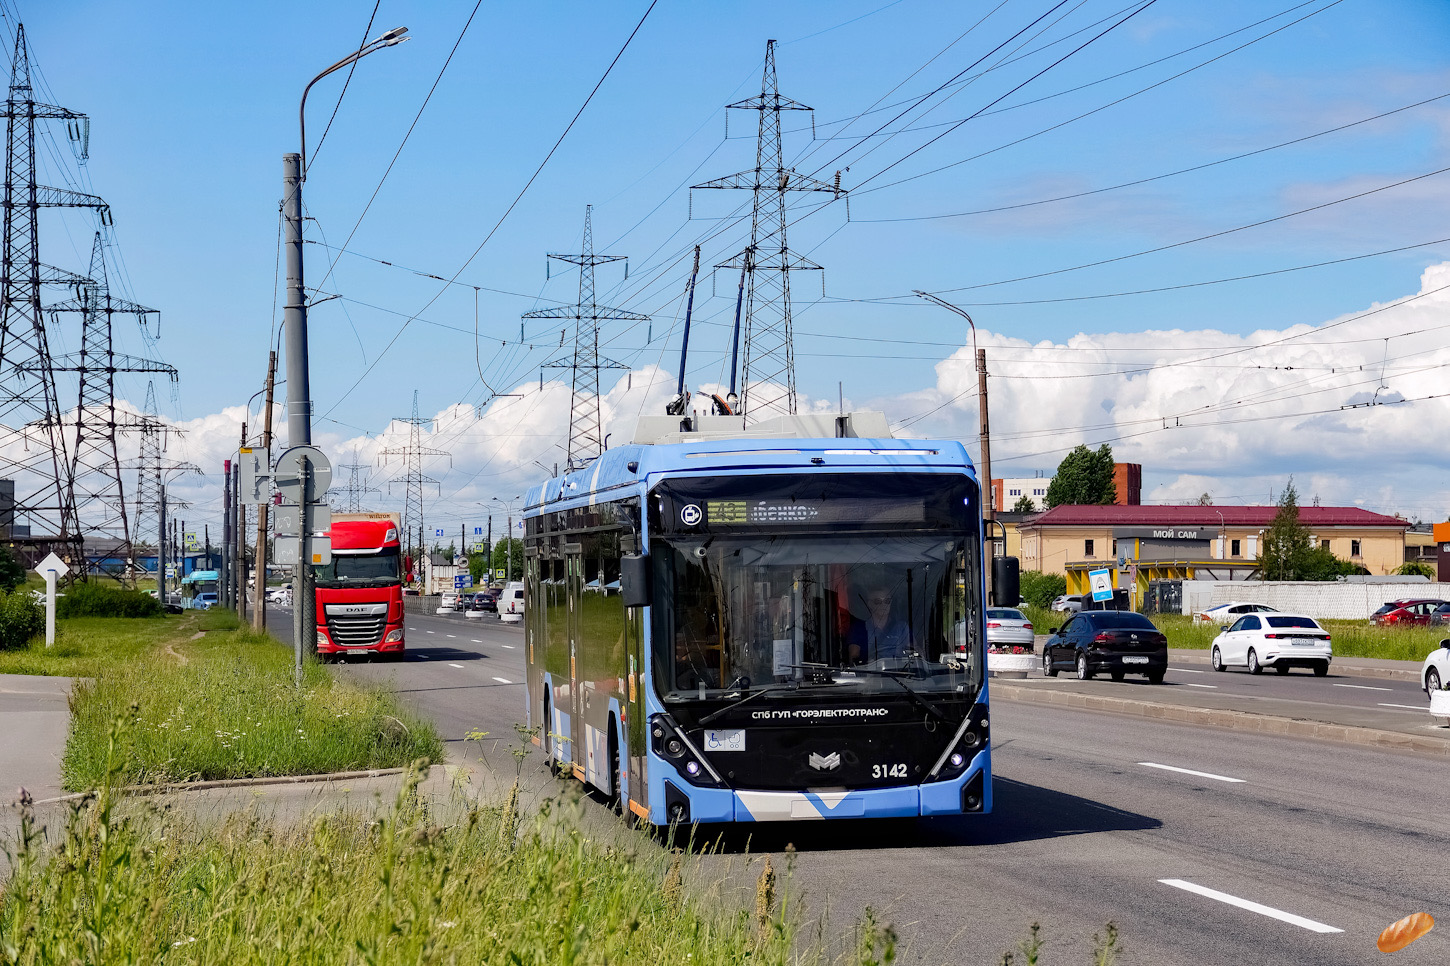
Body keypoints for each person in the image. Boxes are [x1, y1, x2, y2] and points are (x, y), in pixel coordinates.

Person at [846, 585, 912, 663]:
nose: (883, 605)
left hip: (900, 672)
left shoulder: (902, 628)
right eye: (877, 601)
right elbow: (854, 658)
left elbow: (913, 650)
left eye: (887, 601)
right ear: (869, 604)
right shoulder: (859, 628)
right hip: (871, 673)